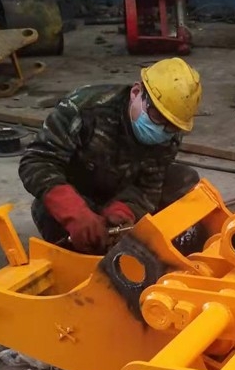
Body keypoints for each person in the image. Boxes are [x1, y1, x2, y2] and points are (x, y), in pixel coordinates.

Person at [19, 57, 202, 254]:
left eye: (171, 126)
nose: (162, 130)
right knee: (51, 214)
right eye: (157, 117)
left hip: (119, 191)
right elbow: (36, 161)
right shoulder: (84, 109)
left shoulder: (169, 135)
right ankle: (82, 239)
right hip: (78, 194)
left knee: (183, 179)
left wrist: (123, 211)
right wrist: (74, 212)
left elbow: (150, 184)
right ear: (136, 93)